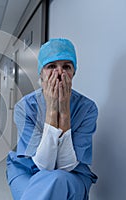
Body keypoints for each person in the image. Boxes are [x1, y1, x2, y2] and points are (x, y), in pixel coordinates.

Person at [6, 38, 98, 200]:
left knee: (58, 179)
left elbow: (66, 166)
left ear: (74, 72)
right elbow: (43, 166)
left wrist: (64, 113)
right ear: (41, 72)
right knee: (49, 183)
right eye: (51, 67)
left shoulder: (87, 108)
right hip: (27, 169)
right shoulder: (25, 107)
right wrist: (52, 110)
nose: (60, 73)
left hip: (72, 173)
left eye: (66, 67)